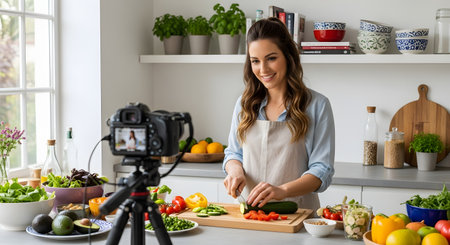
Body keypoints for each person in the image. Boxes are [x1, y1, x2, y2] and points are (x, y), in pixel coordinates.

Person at [223, 17, 335, 211]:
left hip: (298, 213)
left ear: (288, 56)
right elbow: (234, 153)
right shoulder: (244, 104)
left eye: (271, 58)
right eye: (255, 61)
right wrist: (235, 171)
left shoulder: (317, 105)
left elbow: (321, 171)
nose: (263, 69)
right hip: (249, 215)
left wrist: (282, 190)